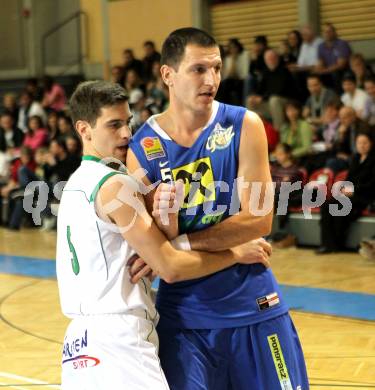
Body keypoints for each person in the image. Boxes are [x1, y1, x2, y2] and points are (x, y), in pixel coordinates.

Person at [56, 80, 270, 389]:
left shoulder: (76, 185)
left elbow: (132, 263)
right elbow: (170, 266)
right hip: (119, 339)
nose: (126, 134)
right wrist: (236, 253)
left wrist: (166, 221)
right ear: (84, 129)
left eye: (127, 122)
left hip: (78, 344)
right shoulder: (117, 185)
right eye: (113, 125)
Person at [127, 27, 308, 390]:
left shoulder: (244, 124)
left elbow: (259, 220)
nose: (211, 80)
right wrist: (231, 249)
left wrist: (182, 245)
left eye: (217, 68)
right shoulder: (141, 147)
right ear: (168, 75)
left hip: (256, 306)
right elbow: (154, 253)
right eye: (198, 69)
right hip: (186, 321)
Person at [317, 131, 375, 254]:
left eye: (365, 143)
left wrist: (353, 190)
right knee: (326, 205)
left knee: (341, 208)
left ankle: (337, 244)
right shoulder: (355, 158)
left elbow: (372, 184)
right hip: (350, 195)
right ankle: (327, 244)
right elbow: (349, 178)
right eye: (359, 143)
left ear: (371, 144)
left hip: (364, 197)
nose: (362, 145)